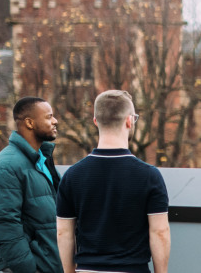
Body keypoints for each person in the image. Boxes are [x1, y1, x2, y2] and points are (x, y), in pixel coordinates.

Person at [56, 90, 171, 273]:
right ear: (129, 120)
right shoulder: (149, 176)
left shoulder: (72, 176)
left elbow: (64, 233)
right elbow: (160, 232)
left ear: (96, 121)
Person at [0, 96, 64, 273]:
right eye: (49, 116)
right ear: (30, 123)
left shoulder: (42, 160)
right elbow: (3, 226)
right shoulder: (6, 167)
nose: (55, 121)